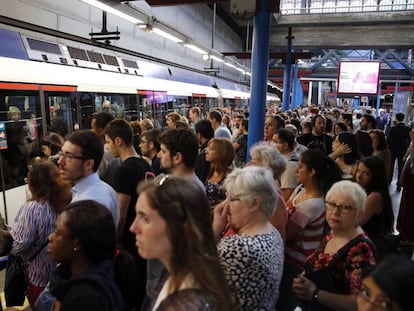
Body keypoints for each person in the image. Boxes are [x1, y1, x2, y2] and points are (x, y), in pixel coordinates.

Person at [130, 175, 232, 310]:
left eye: (146, 218)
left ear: (179, 227)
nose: (133, 227)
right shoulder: (173, 272)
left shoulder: (189, 304)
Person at [292, 180, 376, 311]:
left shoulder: (360, 249)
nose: (335, 212)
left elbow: (360, 303)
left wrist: (315, 293)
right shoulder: (334, 232)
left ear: (359, 213)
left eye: (345, 207)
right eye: (331, 204)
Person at [35, 201, 133, 311]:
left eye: (57, 232)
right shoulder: (84, 276)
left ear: (77, 244)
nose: (50, 237)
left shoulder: (84, 299)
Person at [213, 166, 284, 310]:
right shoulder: (273, 233)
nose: (225, 205)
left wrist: (214, 230)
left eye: (232, 199)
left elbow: (195, 279)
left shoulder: (237, 247)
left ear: (254, 203)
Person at [10, 161, 71, 310]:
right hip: (63, 272)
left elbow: (20, 245)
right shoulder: (65, 200)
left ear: (32, 184)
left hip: (39, 276)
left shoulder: (33, 208)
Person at [58, 130, 120, 226]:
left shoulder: (90, 203)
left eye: (69, 156)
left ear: (88, 164)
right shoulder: (105, 190)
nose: (60, 162)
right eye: (61, 154)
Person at [249, 142, 288, 241]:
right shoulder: (258, 190)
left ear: (268, 168)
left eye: (253, 162)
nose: (248, 165)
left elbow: (278, 237)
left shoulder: (274, 198)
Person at [356, 156, 394, 245]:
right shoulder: (364, 189)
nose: (359, 176)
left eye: (365, 173)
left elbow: (357, 222)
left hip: (369, 242)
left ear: (376, 176)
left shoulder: (375, 196)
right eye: (358, 171)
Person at [91, 112, 121, 187]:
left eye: (92, 128)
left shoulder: (103, 154)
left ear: (101, 131)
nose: (91, 131)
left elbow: (94, 182)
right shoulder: (120, 149)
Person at [205, 138, 234, 208]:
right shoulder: (211, 171)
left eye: (211, 149)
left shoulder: (230, 177)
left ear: (221, 153)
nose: (206, 151)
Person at [387, 113, 411, 191]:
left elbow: (388, 140)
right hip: (403, 150)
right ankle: (399, 185)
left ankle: (389, 180)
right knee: (401, 167)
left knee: (391, 166)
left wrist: (390, 147)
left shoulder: (393, 128)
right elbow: (410, 140)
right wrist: (406, 146)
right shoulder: (408, 128)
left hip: (393, 150)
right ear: (403, 118)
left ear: (396, 118)